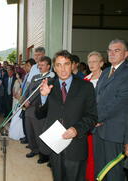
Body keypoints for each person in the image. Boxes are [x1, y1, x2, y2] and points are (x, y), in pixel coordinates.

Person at [39, 50, 97, 181]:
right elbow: (39, 114)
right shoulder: (48, 85)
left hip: (76, 145)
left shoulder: (86, 87)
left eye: (66, 64)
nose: (63, 69)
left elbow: (92, 116)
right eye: (59, 65)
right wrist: (43, 97)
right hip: (55, 146)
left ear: (72, 65)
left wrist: (76, 129)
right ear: (54, 67)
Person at [94, 39, 128, 181]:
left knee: (114, 173)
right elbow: (96, 97)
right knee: (100, 171)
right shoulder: (106, 71)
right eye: (109, 50)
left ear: (126, 54)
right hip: (99, 130)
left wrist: (96, 118)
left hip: (115, 132)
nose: (112, 53)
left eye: (117, 50)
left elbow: (118, 102)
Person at [23, 56, 52, 164]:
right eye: (39, 65)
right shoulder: (35, 76)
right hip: (28, 108)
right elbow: (28, 90)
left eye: (42, 65)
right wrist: (23, 101)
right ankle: (34, 149)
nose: (39, 67)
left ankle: (43, 154)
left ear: (48, 66)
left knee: (39, 132)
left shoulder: (51, 78)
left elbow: (39, 93)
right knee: (30, 131)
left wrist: (29, 101)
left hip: (38, 109)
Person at [83, 51, 104, 181]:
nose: (91, 64)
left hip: (103, 124)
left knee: (100, 155)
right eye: (89, 61)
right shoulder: (85, 81)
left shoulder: (107, 79)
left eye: (95, 61)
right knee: (88, 153)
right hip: (88, 123)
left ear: (101, 63)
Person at [20, 58, 36, 145]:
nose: (25, 67)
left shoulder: (34, 77)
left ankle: (29, 138)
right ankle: (26, 136)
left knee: (27, 119)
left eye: (27, 66)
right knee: (23, 118)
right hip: (23, 100)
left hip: (28, 101)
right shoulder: (26, 75)